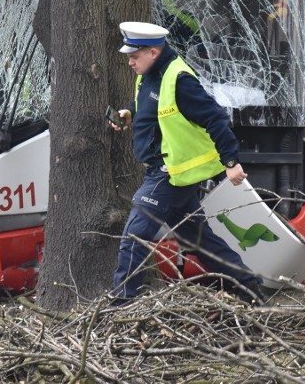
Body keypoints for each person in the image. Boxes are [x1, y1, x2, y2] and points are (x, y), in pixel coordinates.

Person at [109, 21, 268, 304]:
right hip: (172, 176)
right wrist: (130, 113)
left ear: (154, 52)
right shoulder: (147, 76)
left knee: (135, 234)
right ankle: (251, 288)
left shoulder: (180, 79)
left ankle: (121, 304)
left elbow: (215, 117)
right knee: (200, 242)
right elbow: (152, 107)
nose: (129, 62)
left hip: (168, 175)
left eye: (134, 56)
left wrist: (231, 161)